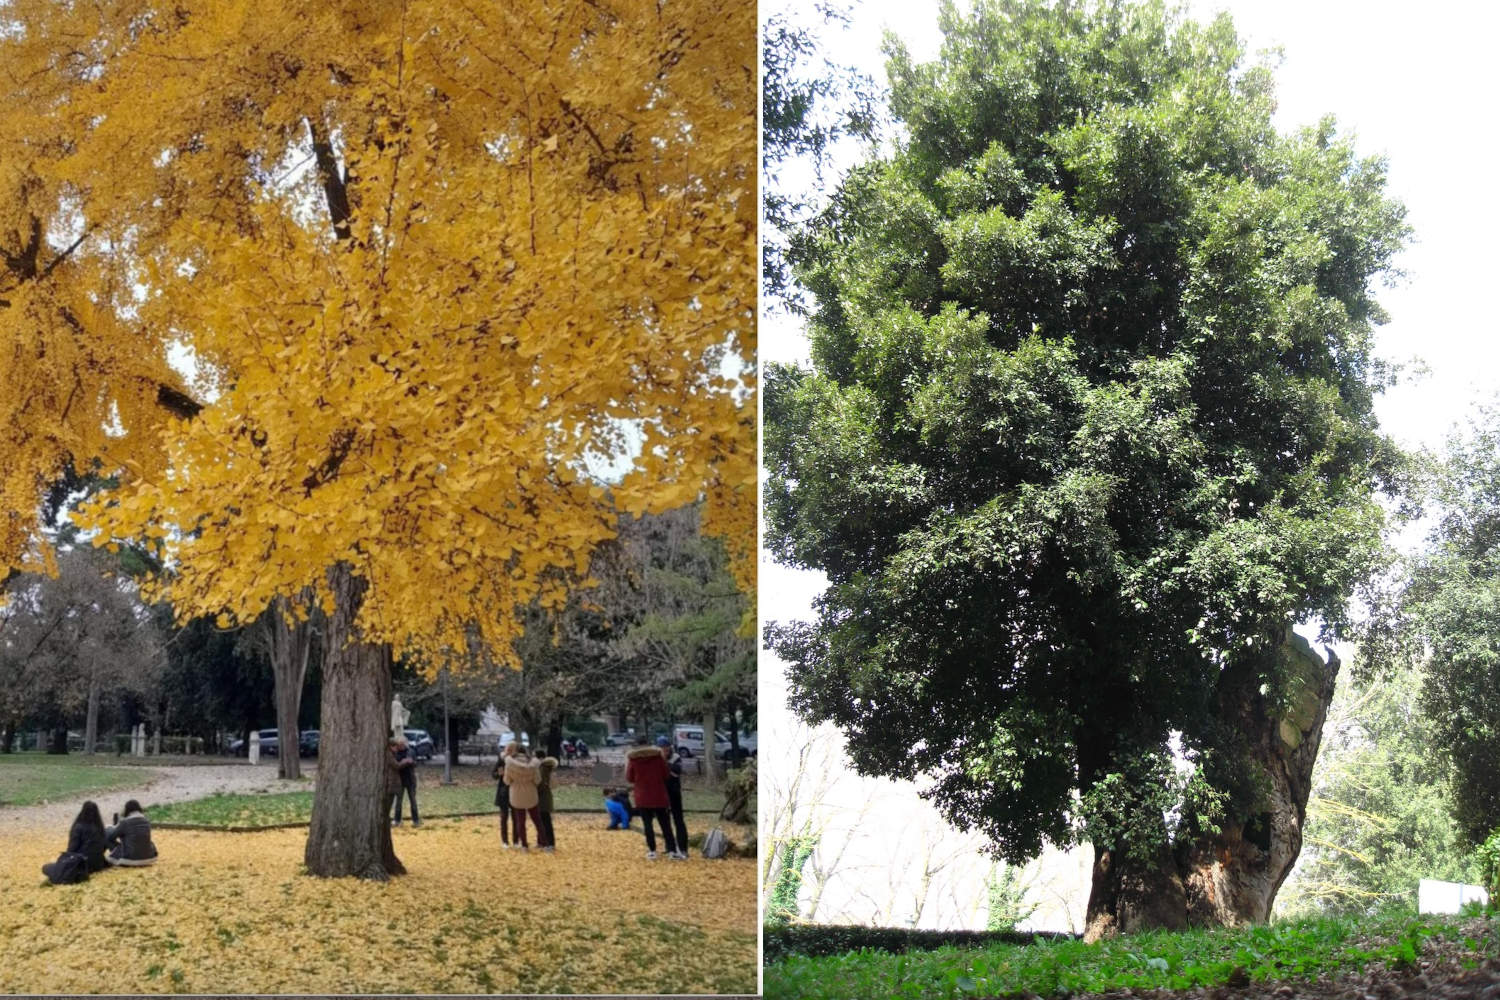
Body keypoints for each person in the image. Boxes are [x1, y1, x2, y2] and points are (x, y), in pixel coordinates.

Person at [626, 734, 681, 860]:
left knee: (647, 825)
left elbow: (629, 778)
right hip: (659, 795)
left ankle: (652, 850)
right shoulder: (657, 757)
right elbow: (666, 774)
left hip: (642, 796)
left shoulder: (633, 759)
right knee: (665, 824)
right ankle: (672, 850)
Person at [41, 800, 108, 880]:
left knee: (46, 867)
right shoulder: (99, 827)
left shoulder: (79, 827)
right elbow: (104, 846)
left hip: (81, 864)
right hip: (98, 864)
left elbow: (72, 849)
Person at [503, 741, 541, 852]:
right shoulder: (533, 764)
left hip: (516, 794)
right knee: (537, 820)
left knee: (520, 821)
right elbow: (537, 780)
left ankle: (524, 845)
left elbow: (506, 780)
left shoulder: (510, 764)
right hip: (531, 793)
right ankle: (544, 842)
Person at [658, 735, 690, 858]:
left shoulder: (676, 757)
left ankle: (683, 848)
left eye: (665, 748)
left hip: (674, 792)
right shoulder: (656, 758)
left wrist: (664, 761)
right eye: (661, 748)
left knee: (678, 820)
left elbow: (676, 772)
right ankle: (670, 847)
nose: (664, 750)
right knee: (665, 821)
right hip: (662, 793)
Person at [104, 799, 158, 866]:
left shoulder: (125, 822)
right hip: (149, 857)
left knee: (107, 832)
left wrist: (115, 826)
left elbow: (112, 837)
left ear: (127, 810)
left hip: (129, 859)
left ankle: (107, 857)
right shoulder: (146, 821)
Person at [391, 734, 419, 826]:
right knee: (398, 801)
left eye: (402, 744)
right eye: (399, 745)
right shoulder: (396, 753)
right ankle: (397, 820)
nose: (400, 746)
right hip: (400, 780)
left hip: (410, 780)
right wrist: (405, 762)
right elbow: (397, 765)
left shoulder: (411, 751)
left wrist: (411, 762)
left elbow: (414, 763)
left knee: (413, 800)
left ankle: (416, 820)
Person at [535, 749, 558, 852]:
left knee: (545, 821)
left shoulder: (543, 768)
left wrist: (535, 790)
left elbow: (542, 783)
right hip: (545, 797)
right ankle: (542, 842)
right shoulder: (546, 768)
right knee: (543, 820)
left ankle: (549, 843)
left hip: (542, 798)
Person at [494, 742, 515, 848]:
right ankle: (505, 841)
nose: (509, 752)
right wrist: (499, 774)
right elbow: (494, 774)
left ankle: (516, 840)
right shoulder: (501, 760)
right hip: (503, 791)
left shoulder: (516, 761)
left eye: (512, 750)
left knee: (516, 817)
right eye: (508, 749)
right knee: (504, 817)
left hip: (515, 791)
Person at [384, 733, 403, 825]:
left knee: (397, 802)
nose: (397, 748)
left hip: (395, 782)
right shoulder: (389, 755)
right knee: (389, 802)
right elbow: (396, 765)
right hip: (392, 782)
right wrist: (405, 762)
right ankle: (388, 819)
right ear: (391, 746)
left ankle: (396, 819)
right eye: (395, 746)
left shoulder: (393, 754)